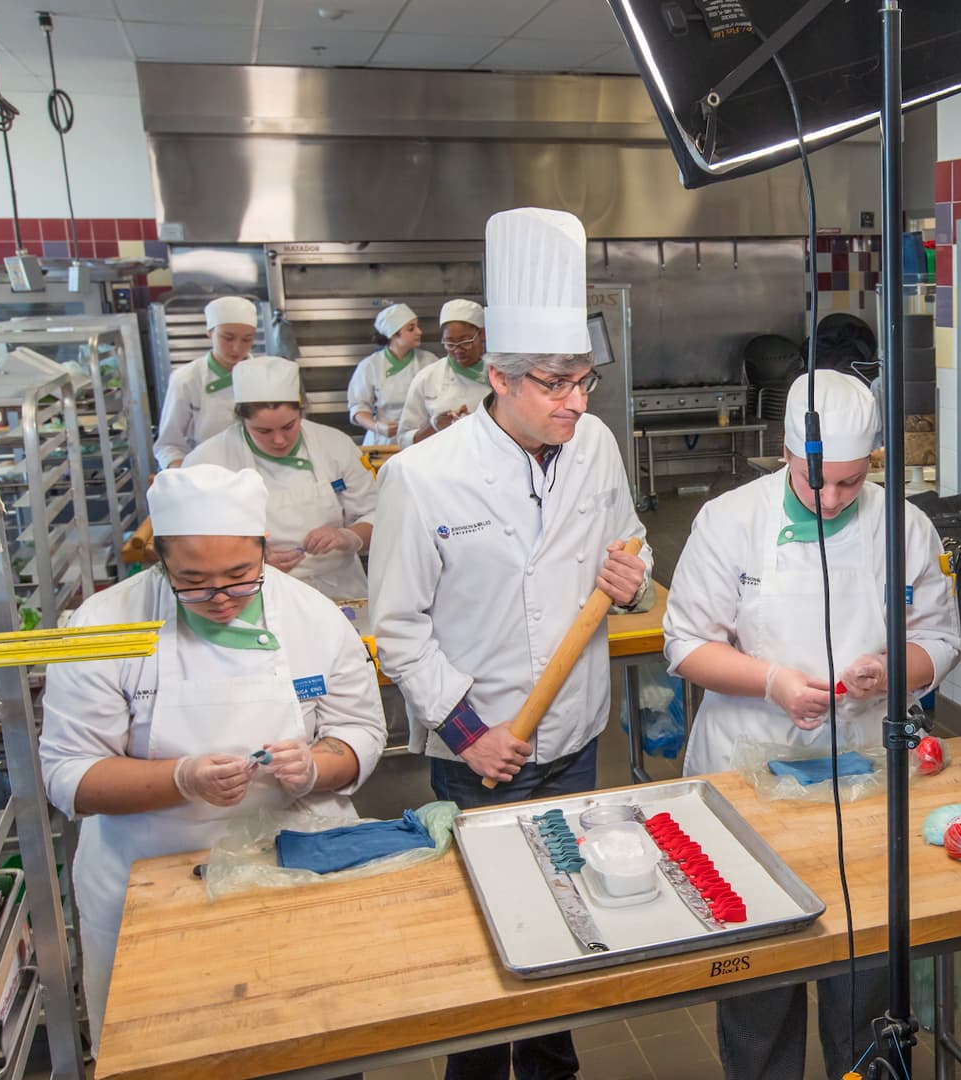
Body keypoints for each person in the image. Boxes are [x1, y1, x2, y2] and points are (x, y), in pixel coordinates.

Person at [371, 207, 650, 1080]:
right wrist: (468, 736)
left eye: (583, 380)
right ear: (496, 376)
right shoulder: (425, 478)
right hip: (481, 744)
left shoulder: (596, 443)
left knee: (567, 919)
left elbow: (629, 537)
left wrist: (630, 578)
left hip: (572, 737)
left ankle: (553, 1070)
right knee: (491, 939)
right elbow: (400, 630)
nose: (574, 401)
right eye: (553, 383)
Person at [663, 367, 961, 1080]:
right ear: (786, 453)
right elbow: (685, 643)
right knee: (760, 987)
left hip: (860, 775)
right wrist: (771, 682)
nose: (832, 499)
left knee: (863, 982)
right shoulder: (731, 521)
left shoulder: (905, 526)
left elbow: (943, 639)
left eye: (851, 484)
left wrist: (892, 672)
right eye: (815, 481)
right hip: (746, 777)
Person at [38, 465, 386, 1043]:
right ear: (162, 564)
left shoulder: (313, 617)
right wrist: (182, 778)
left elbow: (359, 732)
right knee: (168, 1046)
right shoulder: (106, 625)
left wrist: (314, 768)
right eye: (194, 582)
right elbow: (70, 776)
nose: (221, 599)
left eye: (241, 576)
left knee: (309, 1040)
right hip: (149, 876)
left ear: (263, 551)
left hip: (292, 862)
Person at [186, 356, 378, 613]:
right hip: (255, 597)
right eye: (263, 431)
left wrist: (347, 536)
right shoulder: (208, 461)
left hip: (341, 593)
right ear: (241, 419)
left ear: (302, 410)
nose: (279, 440)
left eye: (289, 426)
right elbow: (188, 542)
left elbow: (376, 514)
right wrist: (248, 557)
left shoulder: (336, 446)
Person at [154, 295, 260, 468]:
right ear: (209, 333)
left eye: (247, 339)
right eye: (228, 337)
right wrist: (183, 475)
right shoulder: (186, 379)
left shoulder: (265, 376)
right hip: (203, 472)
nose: (237, 348)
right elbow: (168, 444)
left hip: (257, 473)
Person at [397, 299, 490, 446]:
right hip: (440, 463)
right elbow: (404, 439)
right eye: (450, 343)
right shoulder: (427, 378)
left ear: (482, 334)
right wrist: (434, 426)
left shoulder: (499, 376)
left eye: (465, 342)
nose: (458, 350)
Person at [348, 303, 439, 447]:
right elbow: (359, 408)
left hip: (421, 441)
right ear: (393, 334)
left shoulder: (429, 361)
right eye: (411, 328)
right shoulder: (370, 366)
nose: (419, 332)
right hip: (383, 444)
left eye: (417, 326)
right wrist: (377, 426)